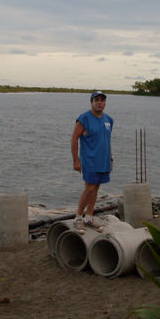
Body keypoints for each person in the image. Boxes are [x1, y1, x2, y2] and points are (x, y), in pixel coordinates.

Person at [71, 90, 114, 233]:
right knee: (89, 188)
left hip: (104, 161)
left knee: (96, 189)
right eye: (97, 100)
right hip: (89, 161)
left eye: (102, 100)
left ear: (105, 103)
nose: (100, 103)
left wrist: (111, 158)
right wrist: (76, 160)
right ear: (92, 102)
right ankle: (78, 217)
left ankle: (89, 217)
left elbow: (107, 140)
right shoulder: (84, 118)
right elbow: (74, 139)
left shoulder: (109, 120)